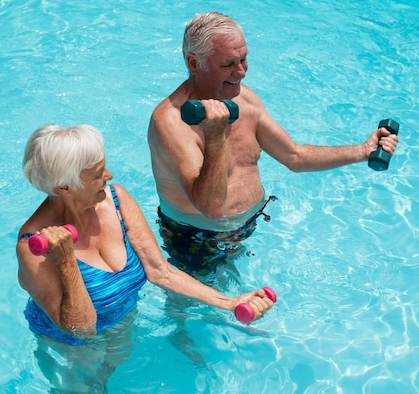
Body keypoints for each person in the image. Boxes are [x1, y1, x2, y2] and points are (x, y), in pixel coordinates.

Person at [147, 11, 399, 270]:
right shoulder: (170, 122)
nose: (242, 72)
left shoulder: (245, 99)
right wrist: (214, 136)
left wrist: (362, 151)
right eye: (228, 64)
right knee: (187, 309)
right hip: (195, 237)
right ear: (194, 63)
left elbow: (294, 156)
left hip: (248, 224)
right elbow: (211, 208)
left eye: (244, 59)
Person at [16, 124, 274, 347]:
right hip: (71, 350)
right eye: (97, 174)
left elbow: (161, 271)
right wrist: (66, 262)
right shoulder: (33, 245)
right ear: (64, 187)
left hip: (122, 325)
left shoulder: (115, 199)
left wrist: (229, 302)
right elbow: (81, 330)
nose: (109, 176)